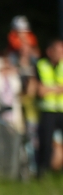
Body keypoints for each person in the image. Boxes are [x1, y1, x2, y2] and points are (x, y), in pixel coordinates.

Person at [38, 39, 63, 174]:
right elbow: (39, 91)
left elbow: (44, 89)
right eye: (58, 51)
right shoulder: (41, 65)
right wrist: (59, 88)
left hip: (61, 109)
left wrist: (49, 89)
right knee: (46, 143)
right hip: (48, 110)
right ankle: (43, 172)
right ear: (50, 52)